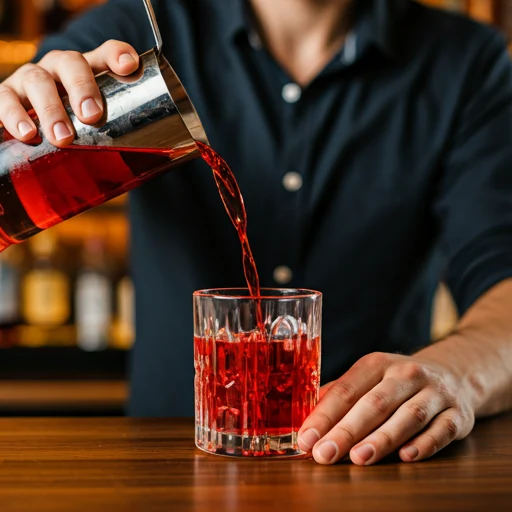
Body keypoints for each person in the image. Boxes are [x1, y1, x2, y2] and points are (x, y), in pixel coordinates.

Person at [2, 0, 512, 466]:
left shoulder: (465, 62)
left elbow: (501, 276)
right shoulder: (136, 33)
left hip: (369, 464)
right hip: (172, 466)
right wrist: (20, 125)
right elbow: (37, 133)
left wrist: (457, 374)